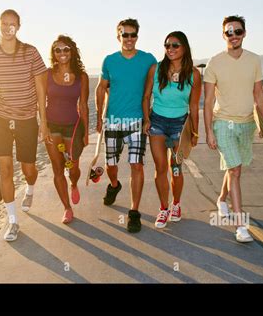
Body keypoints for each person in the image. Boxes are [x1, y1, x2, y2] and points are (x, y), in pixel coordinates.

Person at [0, 9, 48, 242]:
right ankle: (13, 221)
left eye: (12, 24)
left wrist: (43, 121)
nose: (8, 28)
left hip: (27, 119)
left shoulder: (31, 53)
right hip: (1, 119)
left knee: (28, 169)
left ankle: (30, 189)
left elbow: (41, 90)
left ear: (19, 26)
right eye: (4, 23)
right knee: (5, 169)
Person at [203, 15, 263, 243]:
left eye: (237, 31)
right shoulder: (214, 62)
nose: (233, 36)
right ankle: (241, 226)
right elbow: (208, 101)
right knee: (235, 171)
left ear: (244, 33)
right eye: (228, 32)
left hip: (247, 123)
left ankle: (222, 198)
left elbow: (258, 94)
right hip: (223, 123)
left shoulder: (254, 60)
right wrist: (209, 131)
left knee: (235, 168)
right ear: (223, 35)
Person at [95, 18, 157, 233]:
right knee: (111, 165)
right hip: (113, 120)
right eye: (125, 35)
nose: (129, 39)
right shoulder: (109, 61)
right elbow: (101, 88)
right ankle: (114, 185)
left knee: (136, 165)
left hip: (137, 121)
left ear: (137, 37)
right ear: (118, 36)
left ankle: (134, 212)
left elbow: (157, 84)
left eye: (133, 35)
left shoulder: (148, 60)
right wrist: (98, 117)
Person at [142, 31, 202, 229]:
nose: (170, 49)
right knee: (160, 168)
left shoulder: (193, 74)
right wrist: (146, 120)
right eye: (167, 45)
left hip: (180, 126)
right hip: (157, 122)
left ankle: (176, 204)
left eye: (175, 45)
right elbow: (146, 96)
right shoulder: (156, 69)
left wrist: (195, 131)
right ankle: (163, 208)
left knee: (175, 168)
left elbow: (194, 106)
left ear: (184, 47)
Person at [42, 35, 89, 224]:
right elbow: (40, 101)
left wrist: (85, 132)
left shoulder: (82, 76)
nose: (62, 53)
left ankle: (74, 183)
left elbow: (84, 105)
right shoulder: (47, 74)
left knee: (74, 166)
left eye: (66, 49)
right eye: (58, 50)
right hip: (52, 126)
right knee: (58, 167)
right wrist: (43, 126)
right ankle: (67, 208)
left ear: (72, 51)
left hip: (73, 126)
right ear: (53, 53)